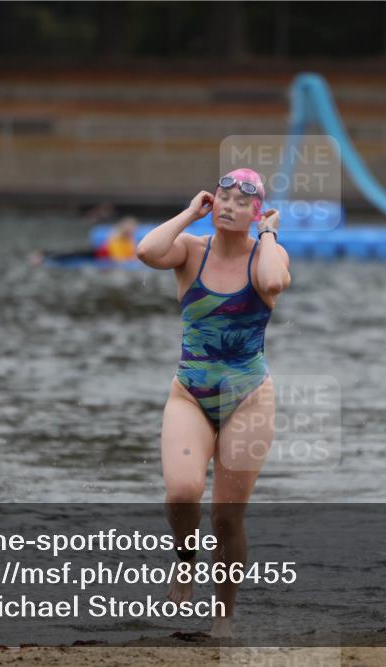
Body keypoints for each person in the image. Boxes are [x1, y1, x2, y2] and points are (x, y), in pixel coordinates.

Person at [135, 168, 291, 638]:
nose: (227, 205)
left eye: (241, 202)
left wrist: (266, 234)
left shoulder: (270, 253)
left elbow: (272, 282)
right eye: (221, 197)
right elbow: (146, 251)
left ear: (256, 211)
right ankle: (185, 561)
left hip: (248, 398)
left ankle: (223, 616)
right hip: (190, 394)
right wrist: (189, 213)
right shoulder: (191, 251)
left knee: (226, 517)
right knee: (182, 493)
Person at [30, 216, 138, 267]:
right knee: (70, 253)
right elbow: (117, 257)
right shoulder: (116, 238)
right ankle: (43, 255)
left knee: (71, 252)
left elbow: (131, 252)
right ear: (126, 230)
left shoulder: (129, 239)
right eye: (132, 229)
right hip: (95, 253)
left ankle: (43, 253)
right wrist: (130, 259)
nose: (134, 231)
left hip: (99, 254)